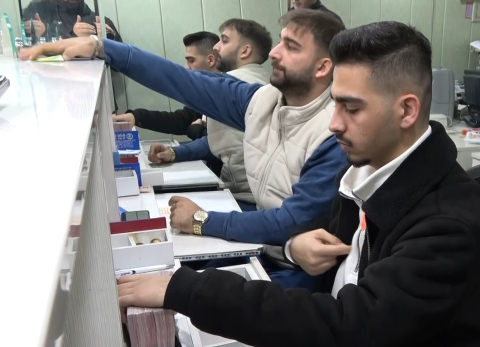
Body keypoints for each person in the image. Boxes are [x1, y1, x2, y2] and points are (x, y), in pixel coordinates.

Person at [115, 21, 480, 347]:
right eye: (335, 104)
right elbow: (330, 258)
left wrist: (187, 290)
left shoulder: (448, 223)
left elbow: (348, 327)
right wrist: (292, 246)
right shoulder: (366, 171)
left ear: (406, 110)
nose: (334, 123)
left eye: (352, 108)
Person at [20, 10, 348, 291]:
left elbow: (289, 222)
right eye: (279, 42)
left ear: (322, 67)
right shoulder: (263, 101)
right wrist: (102, 48)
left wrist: (201, 220)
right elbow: (183, 81)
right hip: (269, 247)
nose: (274, 53)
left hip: (301, 269)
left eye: (290, 47)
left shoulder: (333, 134)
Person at [144, 19, 274, 209]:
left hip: (249, 201)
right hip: (251, 196)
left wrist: (112, 51)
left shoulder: (233, 85)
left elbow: (172, 78)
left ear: (245, 51)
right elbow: (218, 139)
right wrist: (174, 152)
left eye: (224, 40)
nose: (216, 46)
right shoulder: (264, 80)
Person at [112, 31, 221, 143]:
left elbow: (220, 141)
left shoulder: (225, 94)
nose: (186, 67)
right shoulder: (204, 92)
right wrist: (135, 117)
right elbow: (183, 120)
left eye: (191, 61)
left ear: (211, 60)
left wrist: (196, 131)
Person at [22, 0, 121, 42]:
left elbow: (120, 63)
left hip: (87, 78)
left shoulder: (99, 22)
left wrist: (104, 41)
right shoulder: (35, 11)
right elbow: (19, 52)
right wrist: (39, 36)